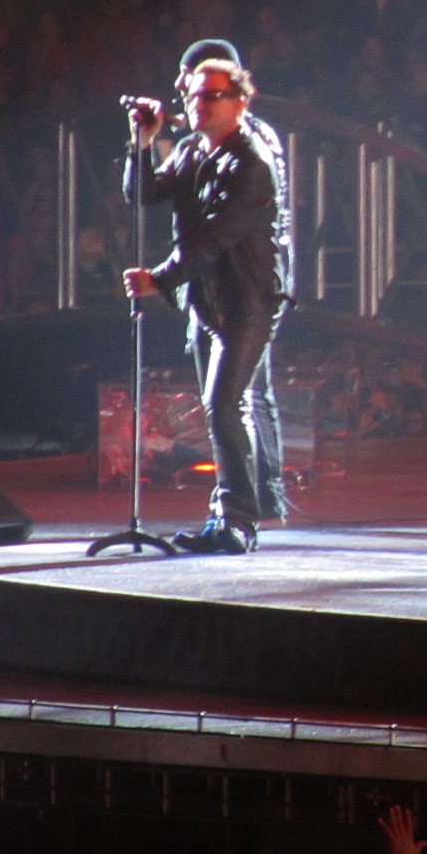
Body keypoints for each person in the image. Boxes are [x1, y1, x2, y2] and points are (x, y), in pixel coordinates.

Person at [122, 58, 287, 554]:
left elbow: (214, 238)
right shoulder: (192, 150)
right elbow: (143, 194)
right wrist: (142, 144)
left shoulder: (251, 163)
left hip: (248, 300)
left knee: (225, 404)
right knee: (223, 408)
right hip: (206, 299)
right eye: (194, 95)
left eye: (211, 96)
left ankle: (239, 521)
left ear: (240, 102)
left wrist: (159, 279)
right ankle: (229, 514)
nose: (198, 104)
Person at [177, 38, 294, 524]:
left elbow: (234, 219)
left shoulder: (248, 141)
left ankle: (253, 496)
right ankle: (255, 494)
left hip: (243, 284)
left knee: (240, 395)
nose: (186, 90)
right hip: (215, 283)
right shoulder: (201, 137)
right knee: (239, 395)